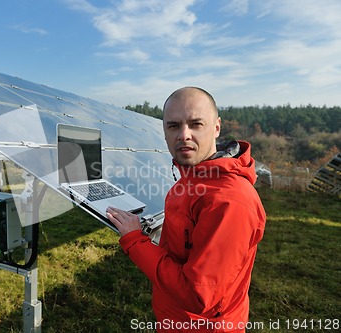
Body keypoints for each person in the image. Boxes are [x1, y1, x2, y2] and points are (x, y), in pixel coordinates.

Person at [106, 86, 266, 333]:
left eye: (195, 124)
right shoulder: (193, 178)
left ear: (216, 127)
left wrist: (135, 241)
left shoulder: (229, 201)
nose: (184, 135)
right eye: (173, 126)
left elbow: (197, 296)